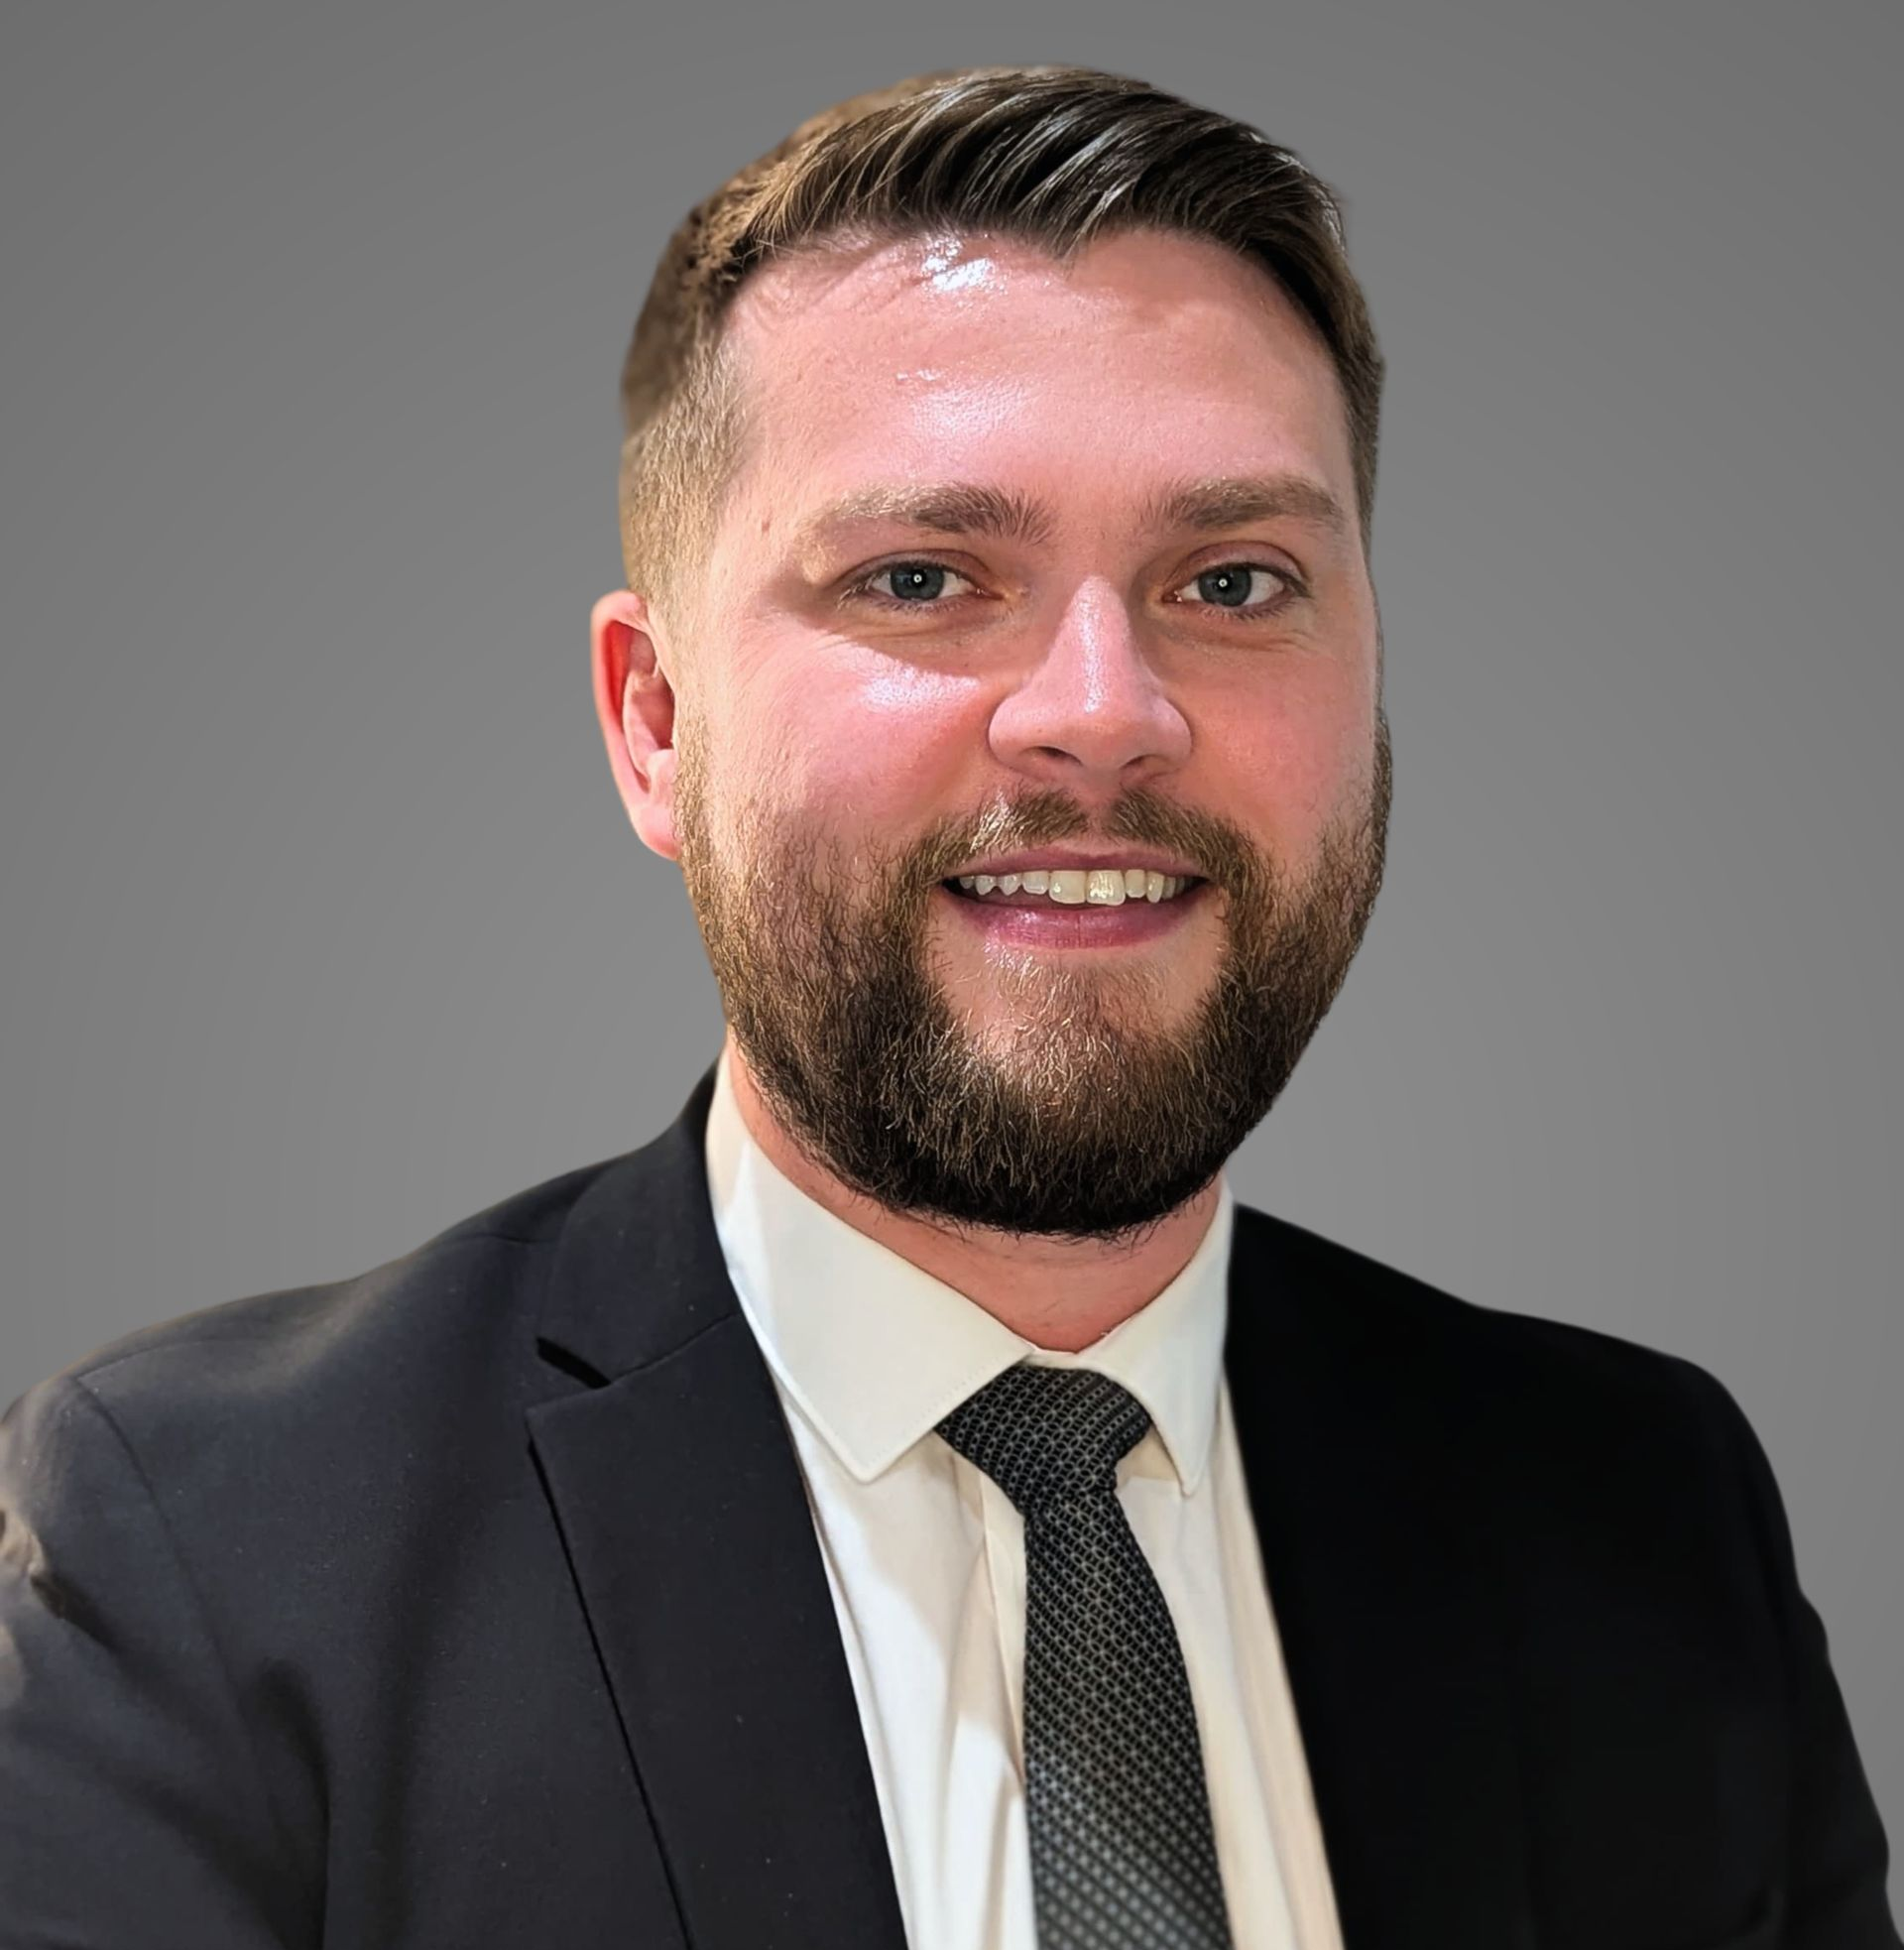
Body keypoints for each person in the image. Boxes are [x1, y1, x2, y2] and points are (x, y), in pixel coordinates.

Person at [0, 61, 1893, 1950]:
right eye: (924, 577)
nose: (1103, 706)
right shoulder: (209, 1544)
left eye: (1234, 579)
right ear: (656, 723)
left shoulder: (1648, 1521)